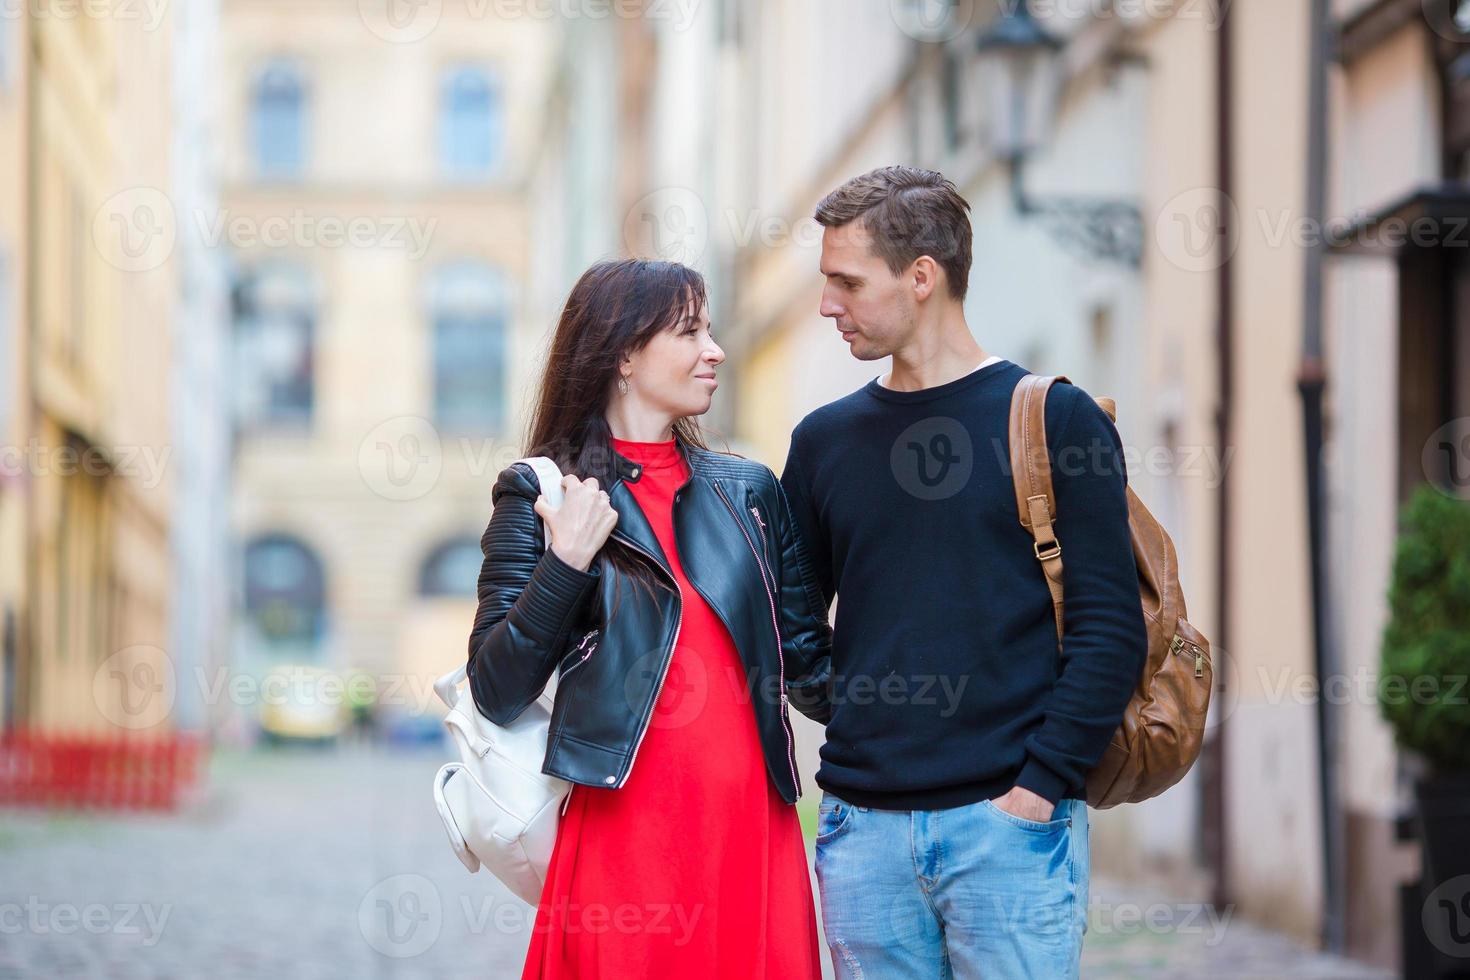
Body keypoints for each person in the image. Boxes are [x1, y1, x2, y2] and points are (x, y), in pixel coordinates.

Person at [779, 166, 1149, 979]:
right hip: (862, 835)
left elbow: (1111, 630)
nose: (826, 305)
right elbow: (791, 624)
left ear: (921, 277)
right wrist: (864, 734)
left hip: (1010, 832)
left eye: (846, 281)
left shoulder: (1055, 418)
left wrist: (1038, 788)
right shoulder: (822, 443)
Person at [466, 258, 831, 979]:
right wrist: (564, 562)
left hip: (751, 829)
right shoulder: (540, 492)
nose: (715, 349)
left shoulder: (749, 492)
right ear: (625, 354)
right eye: (690, 331)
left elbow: (812, 668)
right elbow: (495, 688)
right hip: (624, 840)